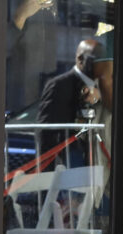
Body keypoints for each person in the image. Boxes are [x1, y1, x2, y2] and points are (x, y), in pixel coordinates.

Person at [36, 38, 104, 166]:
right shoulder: (59, 85)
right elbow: (45, 131)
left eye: (103, 59)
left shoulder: (103, 86)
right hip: (68, 159)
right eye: (96, 59)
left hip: (95, 158)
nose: (101, 64)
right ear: (80, 59)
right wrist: (46, 169)